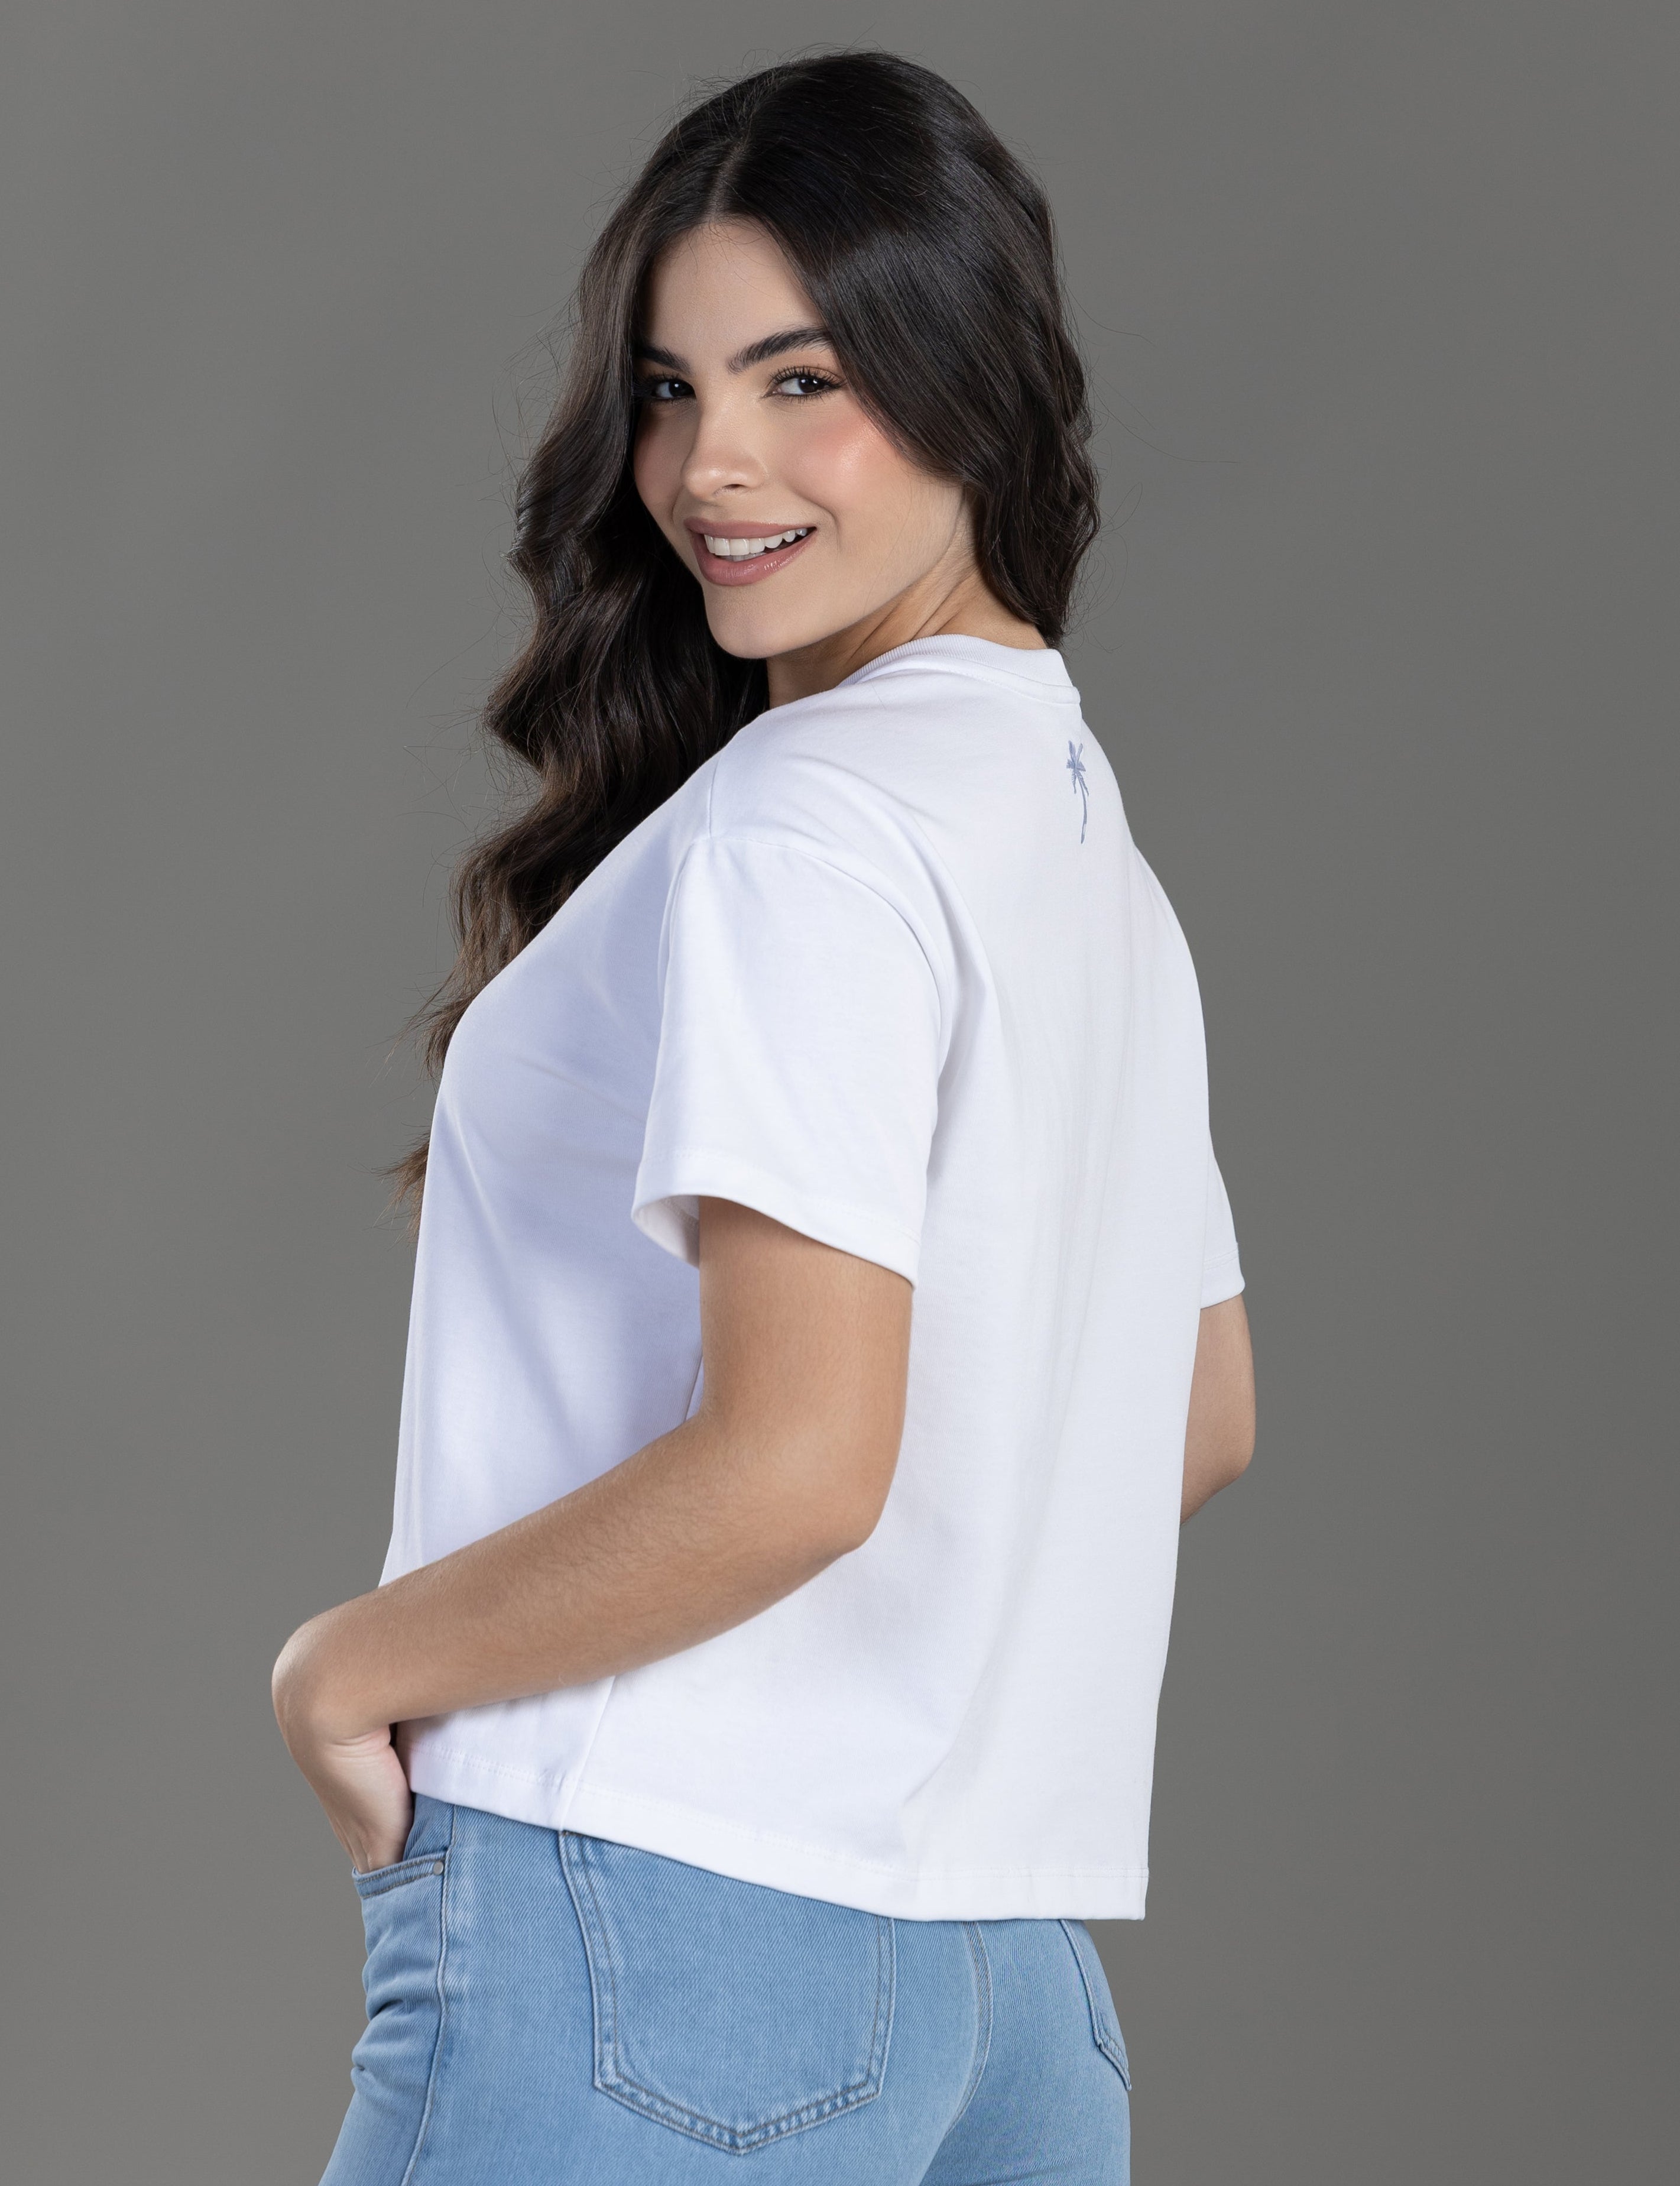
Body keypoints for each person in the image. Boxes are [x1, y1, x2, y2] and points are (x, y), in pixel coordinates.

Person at [273, 50, 1254, 2186]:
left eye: (804, 379)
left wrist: (345, 1666)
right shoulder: (1083, 849)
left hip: (656, 1930)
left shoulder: (806, 828)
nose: (711, 464)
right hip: (999, 1985)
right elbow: (1192, 1413)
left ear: (971, 375)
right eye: (669, 389)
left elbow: (801, 1461)